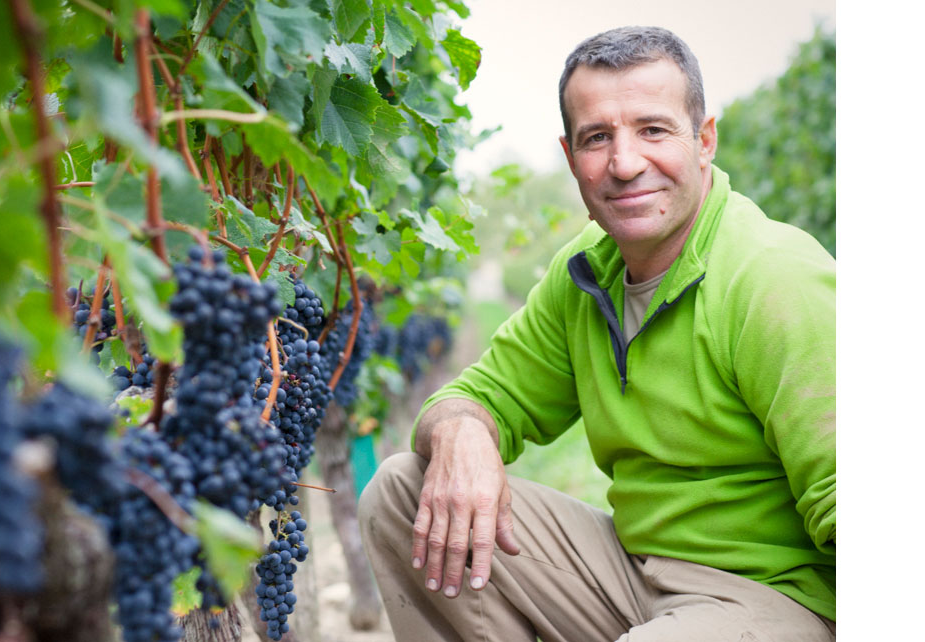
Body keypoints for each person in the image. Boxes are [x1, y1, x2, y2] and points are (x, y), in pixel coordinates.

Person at [357, 25, 835, 641]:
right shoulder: (588, 269)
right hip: (633, 576)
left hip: (773, 599)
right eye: (598, 138)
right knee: (403, 491)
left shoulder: (774, 277)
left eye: (653, 130)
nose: (626, 163)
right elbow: (482, 394)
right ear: (570, 156)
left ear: (705, 140)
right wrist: (461, 429)